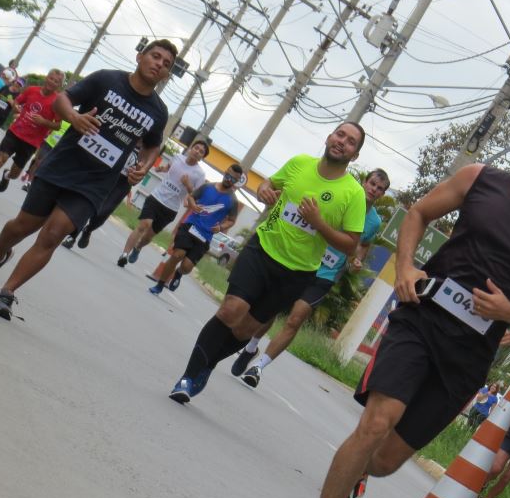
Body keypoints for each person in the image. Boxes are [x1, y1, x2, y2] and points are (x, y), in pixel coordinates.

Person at [282, 125, 510, 498]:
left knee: (385, 461)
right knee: (376, 424)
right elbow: (418, 213)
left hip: (468, 354)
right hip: (421, 317)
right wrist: (405, 267)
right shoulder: (480, 179)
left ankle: (356, 480)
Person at [0, 40, 176, 320]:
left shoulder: (158, 111)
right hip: (63, 165)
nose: (159, 64)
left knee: (54, 234)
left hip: (95, 183)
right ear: (140, 56)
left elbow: (153, 145)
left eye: (166, 64)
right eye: (155, 56)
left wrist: (144, 165)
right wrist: (73, 117)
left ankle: (6, 292)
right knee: (22, 226)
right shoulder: (106, 79)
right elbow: (62, 99)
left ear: (166, 74)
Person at [167, 122, 367, 403]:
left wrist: (319, 223)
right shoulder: (299, 163)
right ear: (329, 137)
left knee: (246, 329)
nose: (342, 141)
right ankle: (188, 378)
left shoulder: (353, 193)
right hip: (263, 248)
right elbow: (269, 184)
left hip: (297, 272)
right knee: (230, 310)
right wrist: (263, 191)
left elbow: (350, 244)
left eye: (350, 142)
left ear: (354, 155)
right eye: (340, 134)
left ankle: (207, 364)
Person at [230, 168, 390, 388]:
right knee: (271, 310)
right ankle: (251, 347)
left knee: (295, 319)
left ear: (382, 194)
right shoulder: (343, 197)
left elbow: (362, 245)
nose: (374, 190)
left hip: (326, 274)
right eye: (372, 184)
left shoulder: (373, 222)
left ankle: (259, 367)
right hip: (303, 263)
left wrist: (357, 261)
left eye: (380, 188)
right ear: (364, 182)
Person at [148, 164, 242, 296]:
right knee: (177, 255)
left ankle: (179, 274)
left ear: (237, 182)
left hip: (205, 235)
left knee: (186, 267)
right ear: (225, 172)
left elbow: (232, 220)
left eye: (233, 179)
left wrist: (221, 227)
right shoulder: (208, 187)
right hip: (190, 225)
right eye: (228, 176)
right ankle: (159, 285)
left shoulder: (233, 201)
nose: (229, 180)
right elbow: (191, 197)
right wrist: (193, 204)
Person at [0, 71, 64, 203]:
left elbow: (58, 126)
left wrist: (44, 122)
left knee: (15, 174)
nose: (52, 82)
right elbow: (16, 103)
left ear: (59, 85)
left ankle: (7, 175)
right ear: (46, 78)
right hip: (15, 132)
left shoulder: (57, 102)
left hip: (31, 142)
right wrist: (16, 108)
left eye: (56, 81)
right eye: (51, 78)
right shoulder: (31, 90)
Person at [117, 139, 209, 266]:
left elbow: (196, 195)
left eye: (201, 152)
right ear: (190, 149)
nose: (197, 151)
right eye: (196, 148)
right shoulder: (177, 158)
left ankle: (138, 247)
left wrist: (188, 186)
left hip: (171, 208)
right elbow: (168, 167)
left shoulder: (199, 174)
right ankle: (124, 254)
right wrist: (162, 169)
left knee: (148, 237)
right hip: (156, 197)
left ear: (202, 157)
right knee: (143, 225)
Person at [21, 120, 69, 191]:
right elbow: (51, 127)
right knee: (38, 163)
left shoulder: (74, 125)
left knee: (47, 167)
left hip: (58, 148)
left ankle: (38, 184)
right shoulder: (62, 119)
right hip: (48, 144)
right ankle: (28, 183)